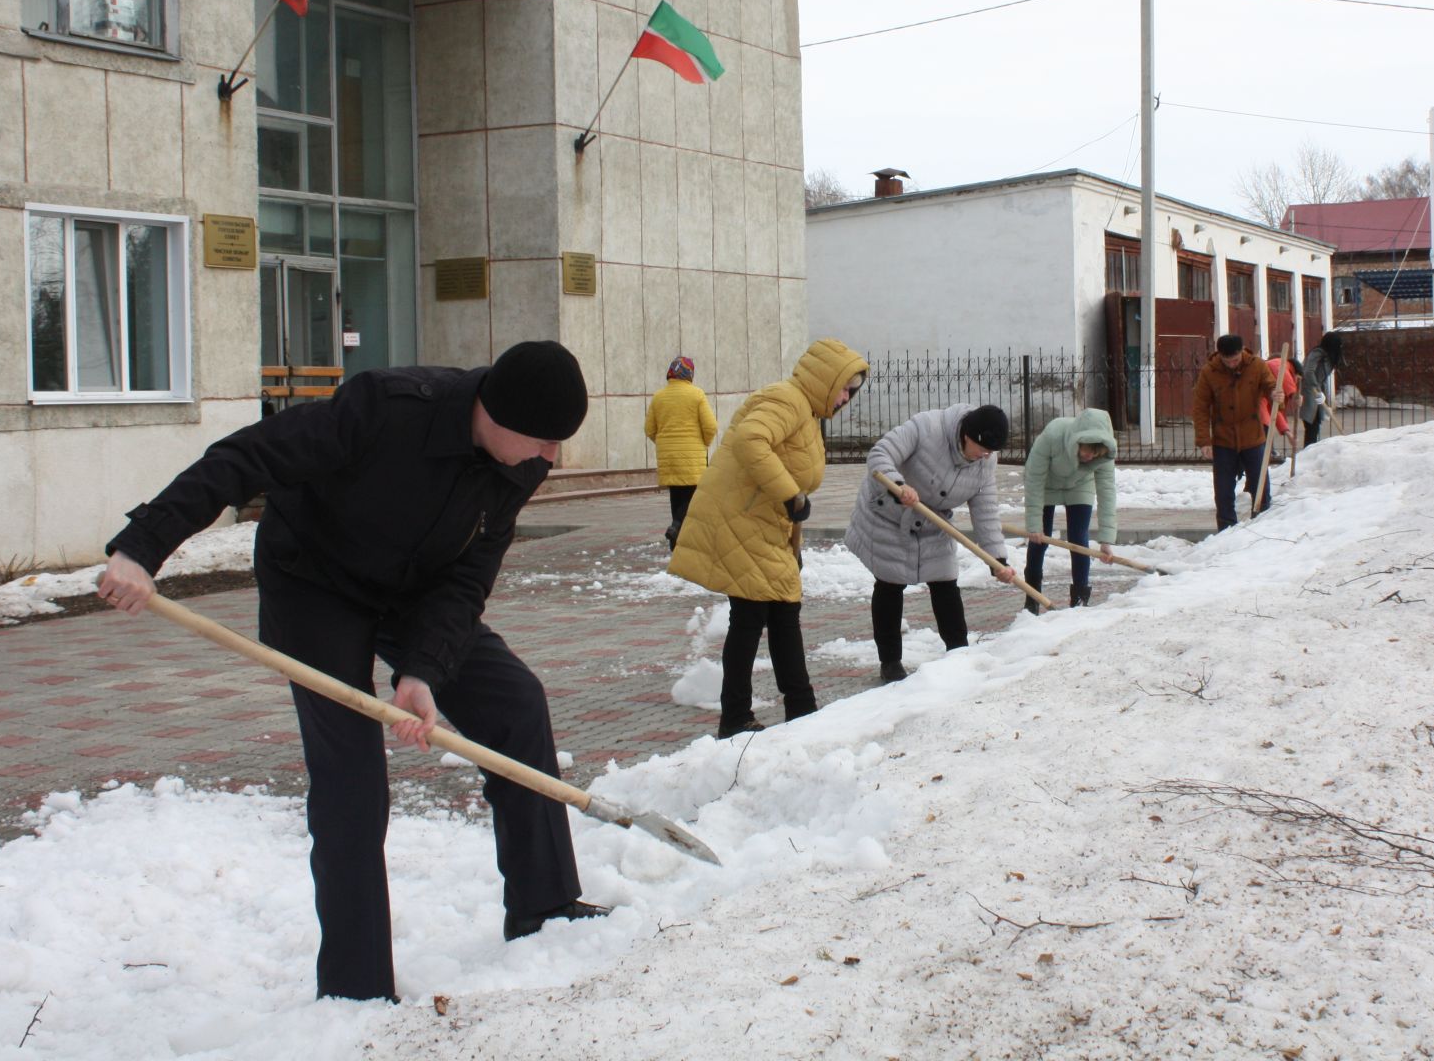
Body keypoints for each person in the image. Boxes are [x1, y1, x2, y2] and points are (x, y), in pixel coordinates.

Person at [95, 341, 602, 1002]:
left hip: (415, 590)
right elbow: (244, 458)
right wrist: (141, 548)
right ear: (496, 413)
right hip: (314, 586)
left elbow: (469, 575)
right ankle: (356, 987)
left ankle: (544, 907)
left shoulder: (519, 464)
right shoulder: (384, 408)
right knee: (352, 781)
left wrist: (423, 671)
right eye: (543, 440)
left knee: (515, 702)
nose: (551, 458)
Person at [669, 339, 869, 739]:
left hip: (762, 526)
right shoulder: (786, 400)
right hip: (741, 523)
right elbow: (750, 441)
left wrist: (793, 540)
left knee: (781, 613)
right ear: (826, 379)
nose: (847, 398)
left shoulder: (806, 414)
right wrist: (789, 494)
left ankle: (798, 707)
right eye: (846, 387)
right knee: (754, 616)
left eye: (853, 391)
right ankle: (741, 715)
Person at [846, 403, 1016, 681]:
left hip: (932, 521)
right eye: (981, 448)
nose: (985, 456)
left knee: (946, 582)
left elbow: (985, 507)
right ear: (965, 434)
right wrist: (898, 485)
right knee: (890, 582)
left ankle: (959, 652)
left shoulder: (985, 461)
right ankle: (890, 662)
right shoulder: (926, 427)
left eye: (990, 452)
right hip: (888, 514)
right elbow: (880, 454)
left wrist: (996, 559)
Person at [1021, 409, 1118, 612]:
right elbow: (1034, 479)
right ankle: (1032, 598)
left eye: (1095, 454)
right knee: (1040, 539)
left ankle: (1080, 598)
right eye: (1086, 450)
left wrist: (1106, 540)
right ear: (1077, 441)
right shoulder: (1053, 435)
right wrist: (1034, 525)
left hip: (1080, 485)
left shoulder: (1103, 455)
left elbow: (1107, 491)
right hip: (1047, 483)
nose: (1089, 456)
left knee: (1078, 538)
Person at [1192, 334, 1287, 529]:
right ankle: (1226, 529)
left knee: (1260, 485)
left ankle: (1262, 526)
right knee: (1223, 489)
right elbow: (1200, 407)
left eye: (1235, 360)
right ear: (1220, 356)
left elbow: (1271, 386)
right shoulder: (1210, 372)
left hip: (1253, 437)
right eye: (1227, 361)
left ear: (1242, 351)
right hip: (1223, 440)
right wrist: (1204, 441)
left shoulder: (1257, 366)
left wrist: (1276, 395)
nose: (1232, 365)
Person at [644, 355, 718, 551]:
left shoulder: (658, 397)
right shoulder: (697, 395)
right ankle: (677, 527)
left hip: (669, 458)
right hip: (692, 458)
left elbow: (649, 429)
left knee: (676, 497)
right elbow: (710, 427)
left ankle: (675, 544)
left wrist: (664, 444)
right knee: (692, 499)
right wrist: (704, 444)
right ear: (689, 373)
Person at [1300, 330, 1344, 446]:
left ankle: (1312, 449)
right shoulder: (1317, 354)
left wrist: (1322, 394)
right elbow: (1308, 372)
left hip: (1318, 392)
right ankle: (1308, 452)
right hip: (1311, 391)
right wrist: (1317, 390)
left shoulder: (1328, 356)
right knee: (1311, 424)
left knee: (1316, 424)